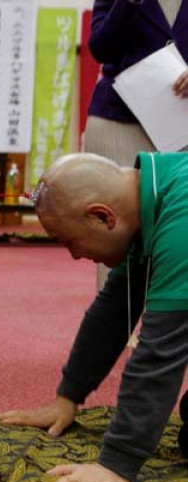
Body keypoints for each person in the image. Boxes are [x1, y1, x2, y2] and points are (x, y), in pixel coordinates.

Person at [0, 152, 188, 482]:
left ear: (102, 216)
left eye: (69, 241)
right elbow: (114, 309)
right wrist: (68, 396)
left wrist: (116, 464)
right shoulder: (159, 192)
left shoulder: (183, 223)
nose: (73, 256)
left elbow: (160, 351)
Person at [83, 0, 188, 289]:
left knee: (180, 238)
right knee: (115, 237)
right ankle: (116, 332)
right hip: (119, 122)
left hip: (182, 125)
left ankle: (169, 332)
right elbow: (101, 48)